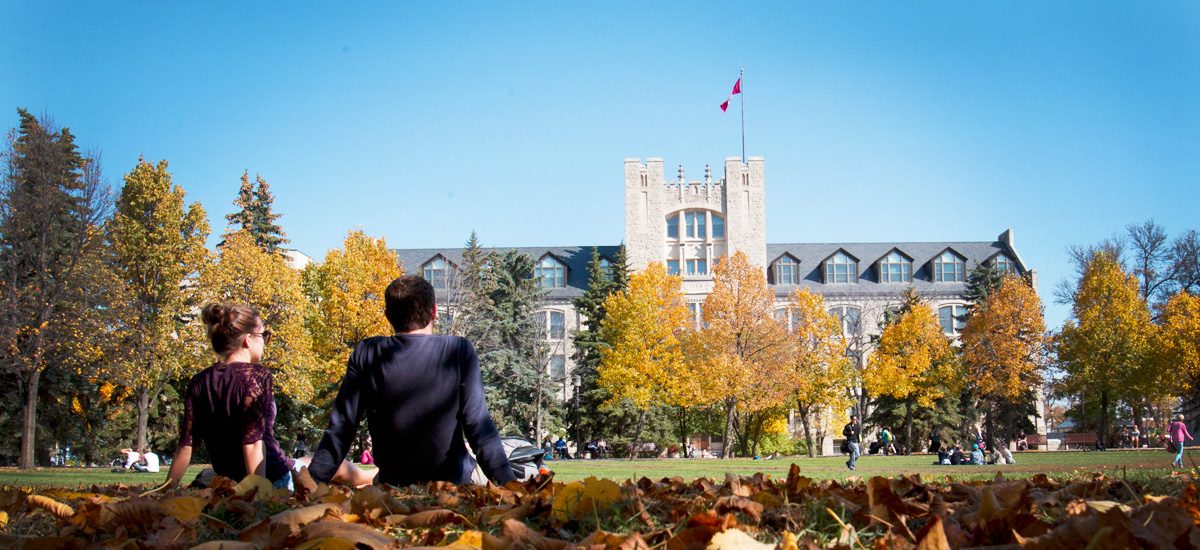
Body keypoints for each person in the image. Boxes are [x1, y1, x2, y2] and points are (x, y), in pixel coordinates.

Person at [308, 276, 516, 487]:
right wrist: (510, 484)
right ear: (434, 311)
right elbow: (478, 424)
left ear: (387, 316)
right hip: (454, 482)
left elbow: (342, 428)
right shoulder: (458, 351)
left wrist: (312, 483)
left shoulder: (367, 353)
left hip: (392, 483)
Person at [165, 303, 372, 490]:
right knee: (337, 467)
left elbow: (186, 444)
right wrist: (258, 494)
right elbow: (253, 443)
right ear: (248, 340)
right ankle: (382, 476)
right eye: (264, 336)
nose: (265, 342)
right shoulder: (256, 376)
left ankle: (372, 477)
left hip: (228, 478)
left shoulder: (199, 381)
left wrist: (167, 490)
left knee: (312, 461)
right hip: (272, 477)